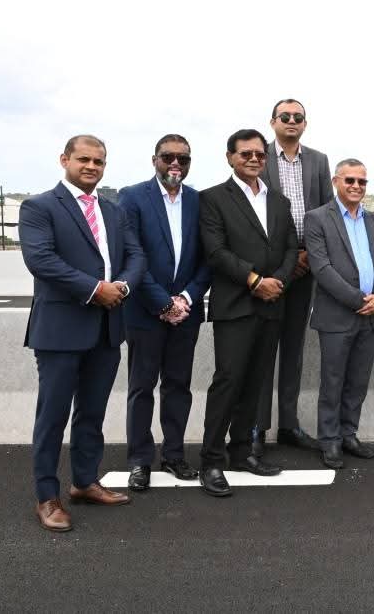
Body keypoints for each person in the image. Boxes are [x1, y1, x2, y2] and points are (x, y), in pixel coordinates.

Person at [19, 134, 146, 531]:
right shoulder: (39, 206)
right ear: (65, 160)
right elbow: (41, 260)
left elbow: (136, 255)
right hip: (60, 330)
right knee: (52, 417)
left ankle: (85, 482)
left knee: (92, 413)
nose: (92, 167)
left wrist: (121, 287)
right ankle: (47, 497)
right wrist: (95, 290)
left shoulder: (113, 210)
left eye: (99, 161)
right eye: (84, 159)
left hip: (107, 328)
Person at [197, 129, 298, 497]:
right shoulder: (212, 199)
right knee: (228, 382)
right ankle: (211, 460)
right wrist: (255, 280)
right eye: (245, 154)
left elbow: (291, 248)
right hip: (236, 305)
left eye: (259, 153)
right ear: (230, 157)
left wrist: (279, 281)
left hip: (272, 304)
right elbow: (215, 251)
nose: (254, 159)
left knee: (255, 383)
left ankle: (241, 452)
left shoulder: (280, 202)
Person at [119, 134, 211, 491]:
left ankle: (174, 455)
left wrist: (185, 298)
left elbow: (208, 259)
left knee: (178, 386)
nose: (175, 164)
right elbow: (132, 255)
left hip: (186, 312)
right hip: (145, 312)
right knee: (141, 388)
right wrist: (163, 302)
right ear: (154, 159)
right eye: (168, 157)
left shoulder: (199, 201)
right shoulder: (132, 197)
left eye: (183, 159)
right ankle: (139, 461)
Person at [305, 159, 374, 469]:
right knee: (333, 380)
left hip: (372, 315)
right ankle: (329, 439)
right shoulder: (317, 218)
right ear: (336, 181)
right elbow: (321, 268)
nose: (357, 186)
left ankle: (348, 434)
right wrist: (359, 299)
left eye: (362, 181)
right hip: (337, 315)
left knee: (358, 381)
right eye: (350, 180)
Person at [253, 98, 333, 456]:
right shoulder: (259, 158)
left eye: (297, 117)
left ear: (305, 123)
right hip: (270, 269)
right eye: (284, 116)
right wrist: (284, 260)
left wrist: (309, 255)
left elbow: (327, 211)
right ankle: (257, 426)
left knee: (294, 350)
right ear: (273, 122)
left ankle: (288, 424)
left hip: (305, 266)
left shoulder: (318, 161)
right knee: (264, 349)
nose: (291, 121)